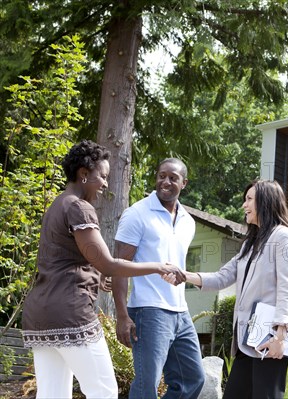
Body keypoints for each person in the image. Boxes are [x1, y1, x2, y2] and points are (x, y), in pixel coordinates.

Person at [21, 140, 186, 399]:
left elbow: (65, 258)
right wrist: (158, 266)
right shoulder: (79, 207)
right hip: (70, 313)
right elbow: (109, 263)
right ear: (84, 174)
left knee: (52, 394)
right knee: (105, 392)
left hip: (40, 315)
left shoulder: (58, 204)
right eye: (103, 176)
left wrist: (96, 275)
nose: (106, 184)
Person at [163, 179, 288, 399]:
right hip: (247, 341)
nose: (244, 206)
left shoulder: (283, 237)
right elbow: (222, 277)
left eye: (249, 199)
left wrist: (280, 336)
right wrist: (184, 275)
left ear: (265, 201)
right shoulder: (251, 243)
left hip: (270, 340)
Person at [112, 157, 205, 399]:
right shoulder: (137, 214)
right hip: (148, 310)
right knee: (147, 385)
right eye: (161, 176)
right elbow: (119, 267)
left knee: (192, 378)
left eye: (172, 178)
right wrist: (122, 316)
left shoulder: (189, 222)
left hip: (180, 311)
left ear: (183, 183)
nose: (165, 181)